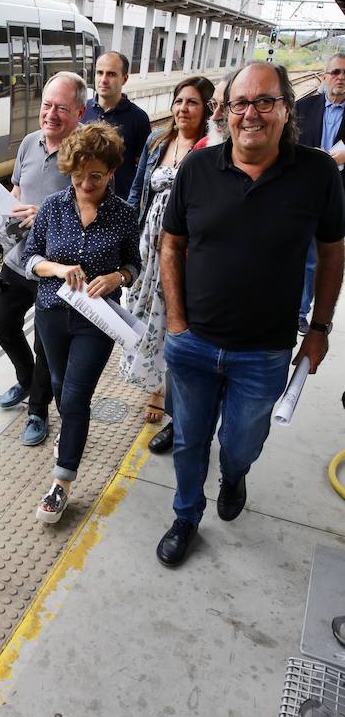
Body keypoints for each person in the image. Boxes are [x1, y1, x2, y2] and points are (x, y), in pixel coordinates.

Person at [157, 62, 345, 568]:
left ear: (287, 109)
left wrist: (320, 330)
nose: (251, 114)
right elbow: (170, 244)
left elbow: (332, 252)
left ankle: (235, 474)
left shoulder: (317, 174)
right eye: (240, 103)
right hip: (193, 344)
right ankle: (186, 515)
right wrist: (176, 321)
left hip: (263, 351)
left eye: (265, 101)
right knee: (190, 440)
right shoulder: (197, 170)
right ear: (226, 112)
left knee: (241, 443)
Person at [24, 121, 141, 523]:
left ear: (111, 172)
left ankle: (61, 482)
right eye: (78, 176)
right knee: (59, 385)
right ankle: (71, 434)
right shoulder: (54, 208)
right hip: (52, 314)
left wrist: (117, 277)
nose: (86, 184)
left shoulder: (125, 215)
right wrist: (57, 268)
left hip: (97, 320)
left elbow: (134, 264)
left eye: (96, 176)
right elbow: (29, 260)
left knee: (75, 397)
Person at [0, 71, 87, 448]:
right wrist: (12, 210)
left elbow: (89, 212)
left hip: (54, 271)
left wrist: (47, 216)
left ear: (79, 111)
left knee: (46, 345)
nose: (51, 114)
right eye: (47, 105)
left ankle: (37, 410)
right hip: (18, 260)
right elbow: (18, 188)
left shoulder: (85, 154)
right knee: (2, 324)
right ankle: (25, 378)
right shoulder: (30, 143)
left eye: (62, 108)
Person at [122, 76, 213, 423]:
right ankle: (150, 381)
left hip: (183, 246)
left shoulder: (208, 148)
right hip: (148, 241)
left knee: (171, 313)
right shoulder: (157, 142)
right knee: (144, 311)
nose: (182, 109)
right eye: (179, 101)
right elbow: (137, 191)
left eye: (191, 102)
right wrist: (126, 234)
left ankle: (163, 390)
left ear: (205, 109)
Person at [150, 73, 232, 454]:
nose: (222, 113)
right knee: (179, 340)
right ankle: (177, 421)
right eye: (225, 105)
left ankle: (218, 434)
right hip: (178, 259)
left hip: (226, 279)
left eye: (217, 105)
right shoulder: (200, 151)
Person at [297, 54, 345, 335]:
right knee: (297, 252)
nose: (340, 77)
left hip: (338, 194)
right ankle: (293, 308)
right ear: (325, 76)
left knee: (319, 256)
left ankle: (303, 312)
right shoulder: (304, 107)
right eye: (335, 72)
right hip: (303, 192)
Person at [81, 51, 151, 199]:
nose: (103, 80)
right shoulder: (81, 110)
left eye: (111, 74)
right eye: (100, 73)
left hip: (118, 205)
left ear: (124, 79)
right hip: (82, 200)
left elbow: (143, 169)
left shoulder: (138, 118)